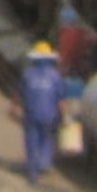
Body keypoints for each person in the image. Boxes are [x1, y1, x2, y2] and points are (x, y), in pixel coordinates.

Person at [19, 42, 68, 184]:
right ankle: (43, 163)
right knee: (46, 139)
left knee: (32, 141)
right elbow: (61, 101)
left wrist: (14, 107)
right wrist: (66, 117)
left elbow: (21, 94)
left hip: (31, 113)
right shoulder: (56, 76)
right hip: (49, 115)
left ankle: (33, 172)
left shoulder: (28, 74)